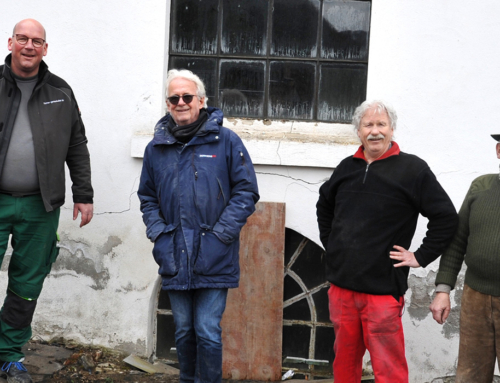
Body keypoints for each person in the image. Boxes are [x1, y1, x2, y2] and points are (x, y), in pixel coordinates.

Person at [316, 100, 458, 383]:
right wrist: (333, 245)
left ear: (392, 129)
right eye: (368, 125)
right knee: (344, 364)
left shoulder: (413, 170)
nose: (375, 131)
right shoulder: (347, 167)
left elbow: (446, 218)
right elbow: (325, 205)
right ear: (358, 131)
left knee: (388, 367)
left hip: (382, 291)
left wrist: (420, 256)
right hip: (342, 289)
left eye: (381, 125)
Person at [138, 69, 259, 383]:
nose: (181, 102)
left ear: (202, 101)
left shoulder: (226, 141)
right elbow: (147, 196)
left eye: (187, 97)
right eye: (174, 98)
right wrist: (159, 234)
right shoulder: (156, 149)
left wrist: (221, 235)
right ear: (167, 104)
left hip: (213, 253)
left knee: (206, 330)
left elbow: (246, 191)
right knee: (183, 330)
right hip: (174, 253)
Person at [0, 19, 93, 383]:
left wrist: (83, 195)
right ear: (10, 42)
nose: (29, 46)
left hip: (41, 207)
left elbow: (77, 145)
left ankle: (9, 355)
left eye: (36, 41)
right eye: (22, 38)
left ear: (45, 48)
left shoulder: (61, 91)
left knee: (26, 286)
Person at [429, 134, 500, 383]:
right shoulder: (481, 187)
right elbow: (457, 241)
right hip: (475, 299)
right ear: (499, 150)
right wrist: (443, 289)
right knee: (470, 375)